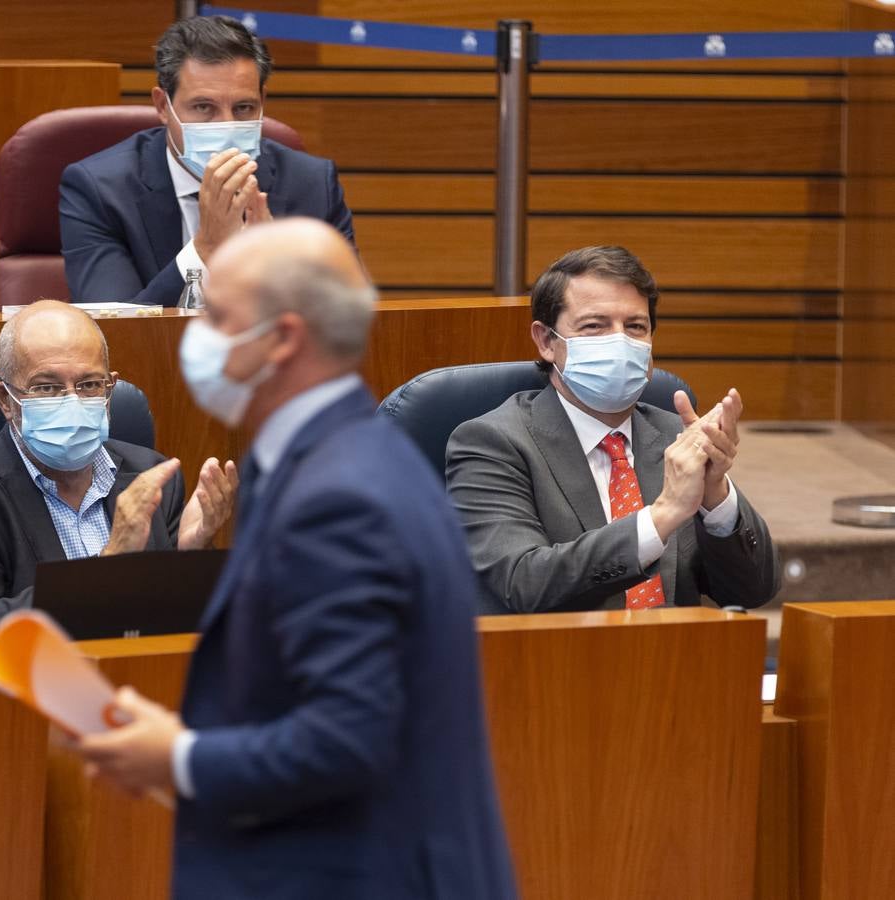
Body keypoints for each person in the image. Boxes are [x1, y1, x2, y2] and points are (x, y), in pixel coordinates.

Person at [76, 220, 517, 899]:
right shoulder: (351, 456)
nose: (196, 334)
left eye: (217, 316)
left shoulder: (336, 497)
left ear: (281, 338)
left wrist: (177, 756)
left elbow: (348, 737)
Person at [445, 245, 780, 614]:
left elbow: (753, 590)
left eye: (635, 327)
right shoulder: (493, 442)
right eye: (594, 326)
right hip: (555, 662)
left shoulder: (675, 435)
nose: (619, 341)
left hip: (675, 659)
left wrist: (715, 495)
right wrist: (662, 515)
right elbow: (522, 585)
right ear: (546, 341)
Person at [0, 300, 237, 619]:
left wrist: (191, 555)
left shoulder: (151, 476)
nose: (72, 401)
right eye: (47, 387)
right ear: (5, 399)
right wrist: (108, 565)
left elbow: (177, 620)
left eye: (89, 385)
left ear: (110, 385)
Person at [59, 15, 355, 307]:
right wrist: (206, 247)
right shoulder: (99, 190)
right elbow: (115, 331)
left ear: (262, 100)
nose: (226, 126)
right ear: (163, 106)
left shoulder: (313, 184)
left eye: (243, 107)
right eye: (203, 107)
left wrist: (279, 270)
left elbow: (349, 323)